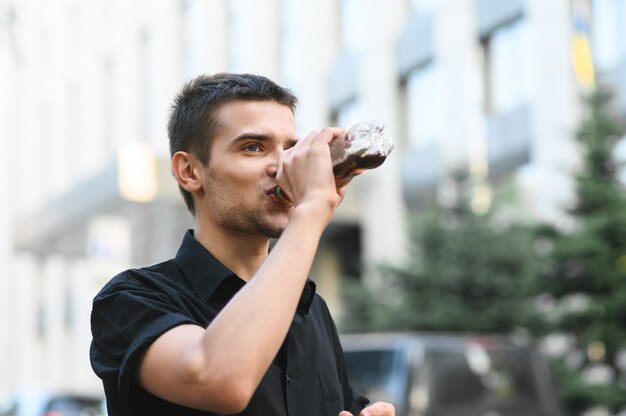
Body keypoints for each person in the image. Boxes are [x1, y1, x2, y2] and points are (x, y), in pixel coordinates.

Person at [90, 73, 395, 416]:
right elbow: (220, 378)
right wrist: (310, 211)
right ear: (189, 171)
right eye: (253, 147)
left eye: (290, 149)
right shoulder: (130, 298)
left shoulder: (312, 310)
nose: (283, 166)